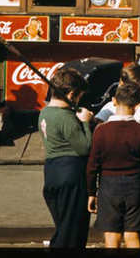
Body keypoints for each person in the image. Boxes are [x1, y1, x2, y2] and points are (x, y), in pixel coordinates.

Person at [87, 83, 140, 248]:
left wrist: (91, 192)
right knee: (133, 235)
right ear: (138, 105)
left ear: (114, 101)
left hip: (108, 186)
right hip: (135, 184)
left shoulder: (100, 130)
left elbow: (92, 165)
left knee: (112, 236)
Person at [38, 67, 94, 248]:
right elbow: (85, 147)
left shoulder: (44, 112)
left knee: (63, 227)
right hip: (71, 173)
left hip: (52, 171)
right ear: (71, 95)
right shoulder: (65, 117)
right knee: (72, 232)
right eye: (79, 96)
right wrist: (85, 123)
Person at [94, 63, 140, 134]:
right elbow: (98, 128)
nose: (134, 92)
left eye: (139, 89)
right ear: (121, 84)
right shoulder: (111, 106)